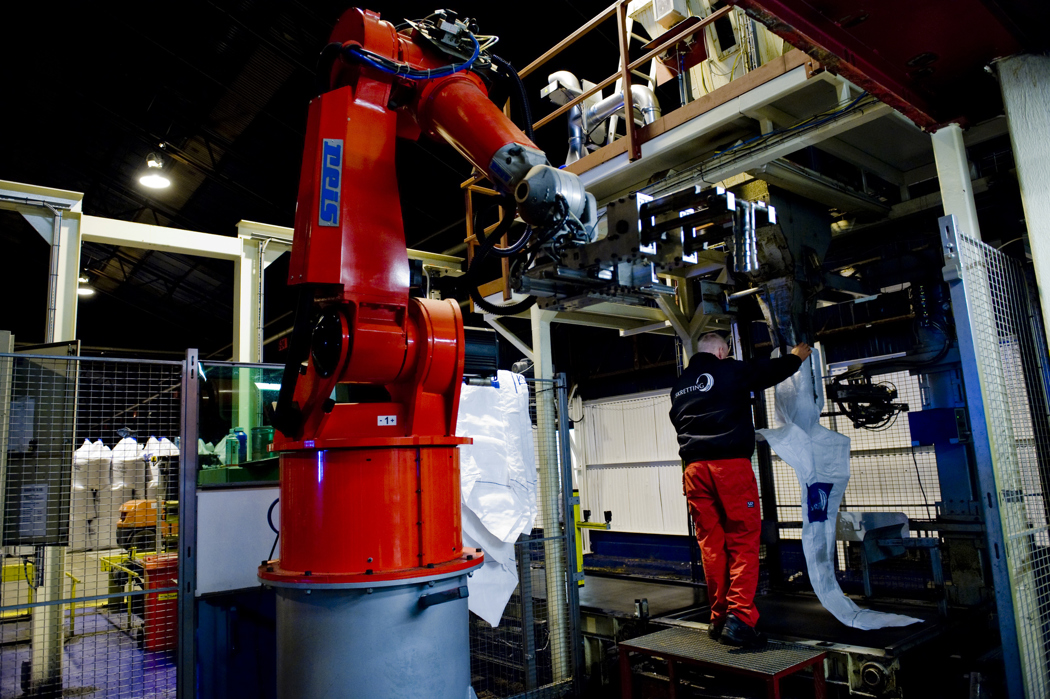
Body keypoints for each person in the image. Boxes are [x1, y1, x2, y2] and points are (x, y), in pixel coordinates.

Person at [669, 332, 811, 647]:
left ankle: (719, 617)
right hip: (729, 469)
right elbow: (767, 372)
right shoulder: (729, 370)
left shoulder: (679, 387)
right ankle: (741, 618)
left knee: (712, 546)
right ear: (722, 352)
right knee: (743, 540)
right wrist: (796, 357)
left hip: (694, 472)